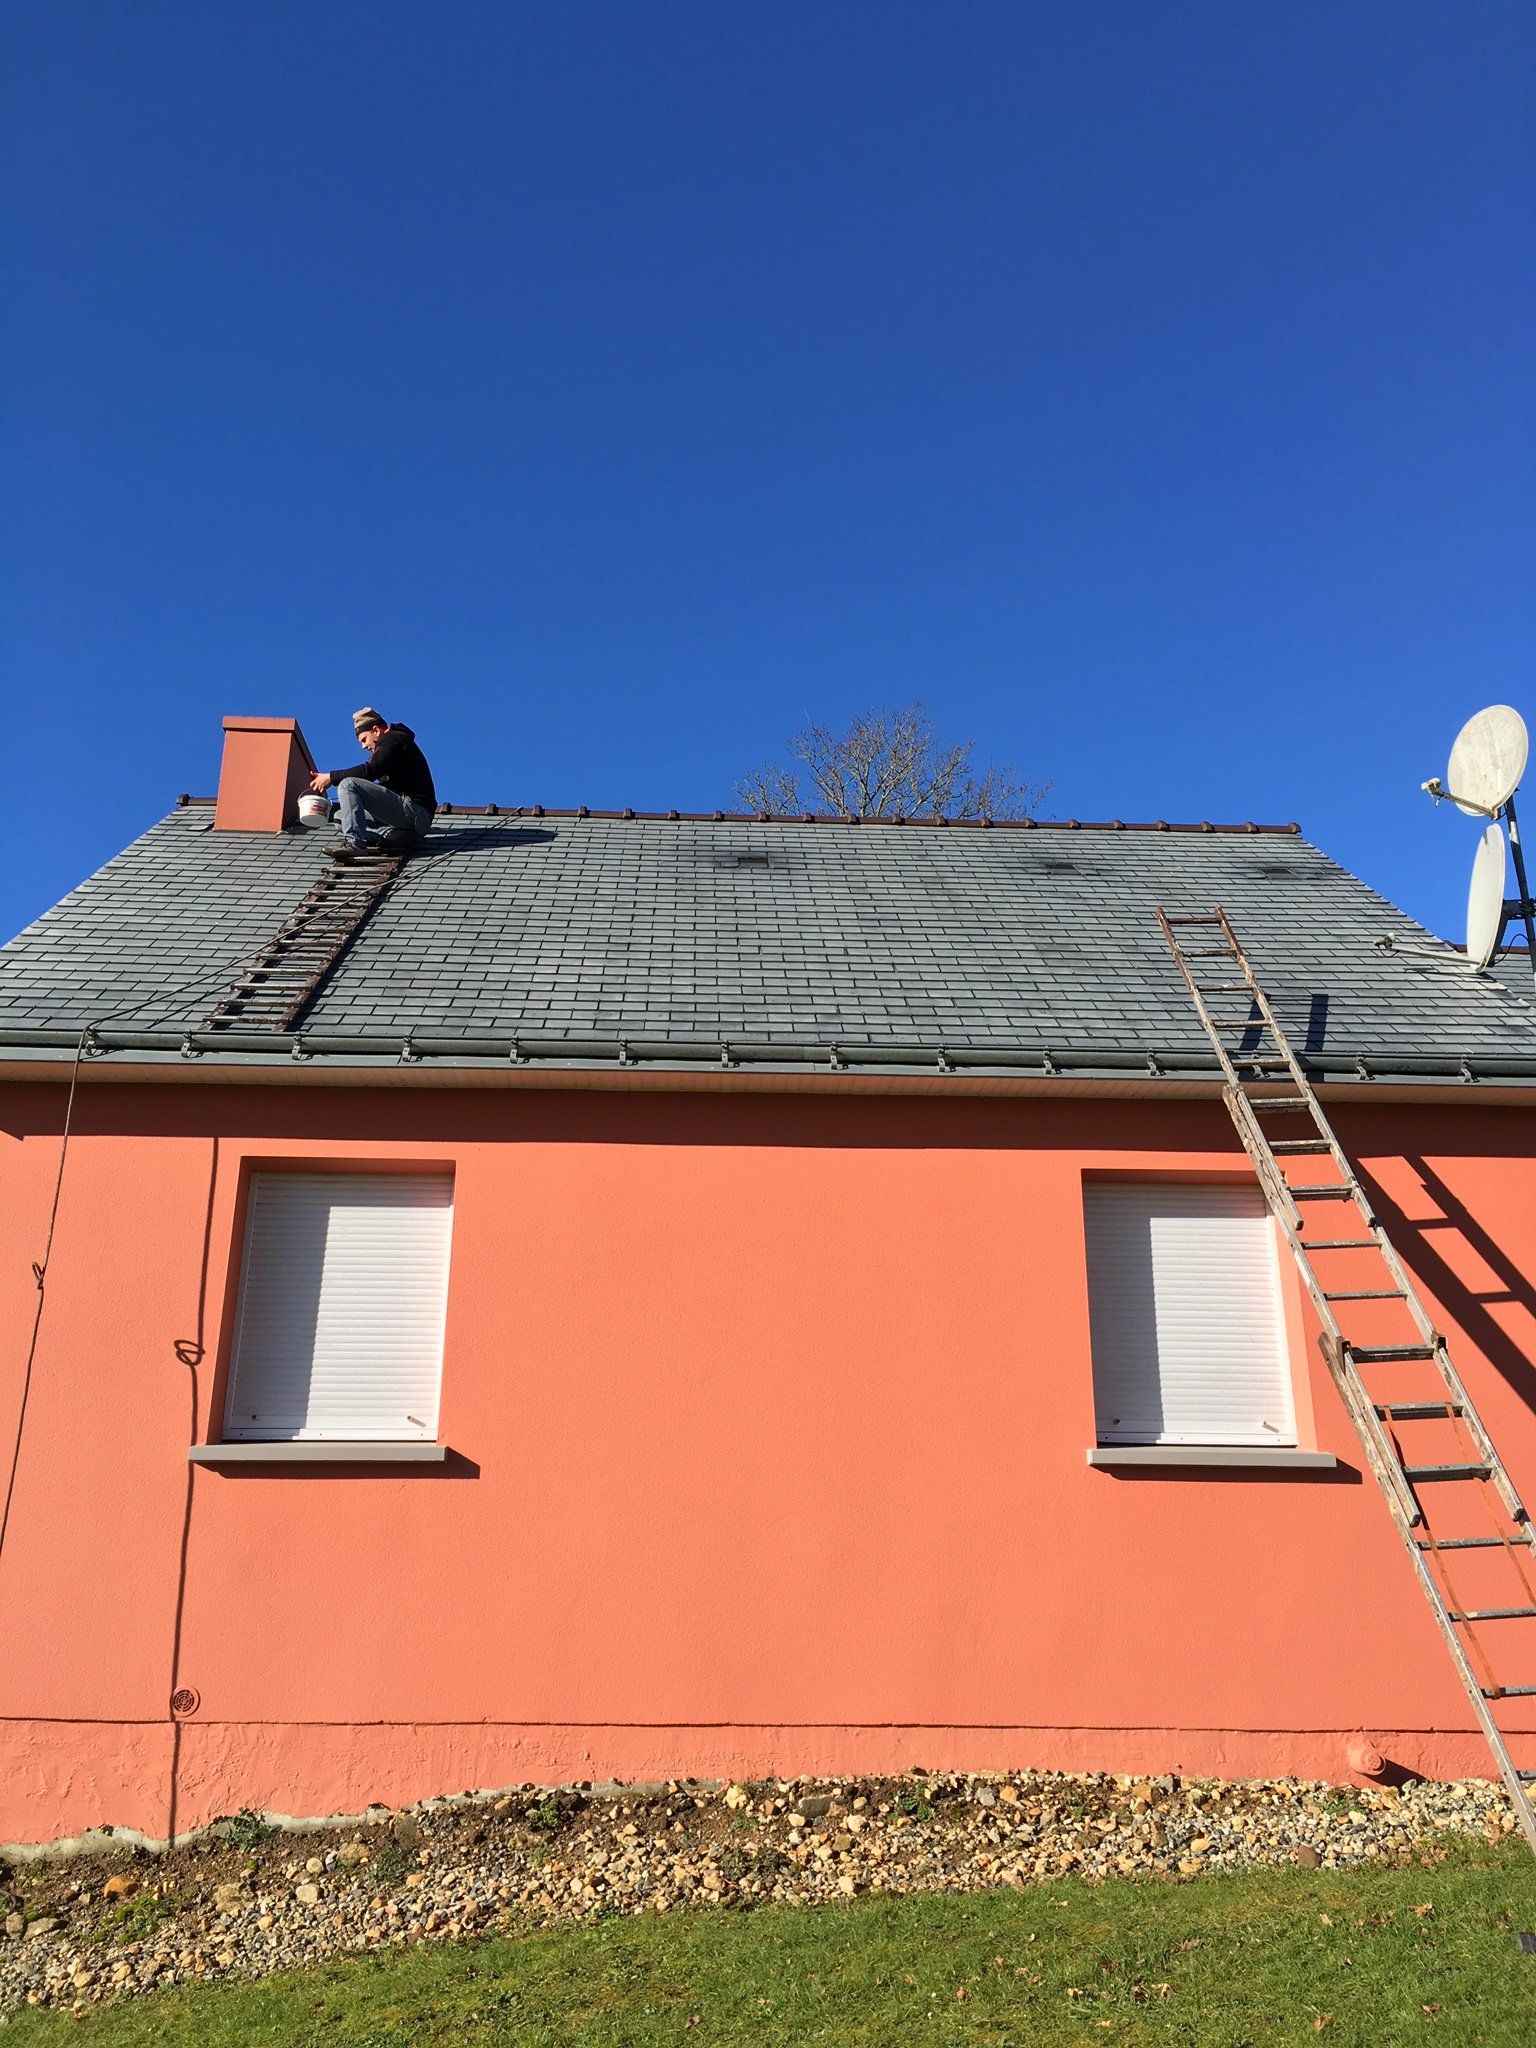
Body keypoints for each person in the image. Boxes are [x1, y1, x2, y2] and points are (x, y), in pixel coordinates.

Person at [309, 709, 438, 861]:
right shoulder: (392, 746)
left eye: (364, 739)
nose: (364, 746)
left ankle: (355, 844)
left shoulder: (394, 738)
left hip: (415, 811)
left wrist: (331, 777)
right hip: (409, 815)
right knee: (340, 817)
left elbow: (371, 770)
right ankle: (398, 836)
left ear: (376, 730)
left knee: (348, 784)